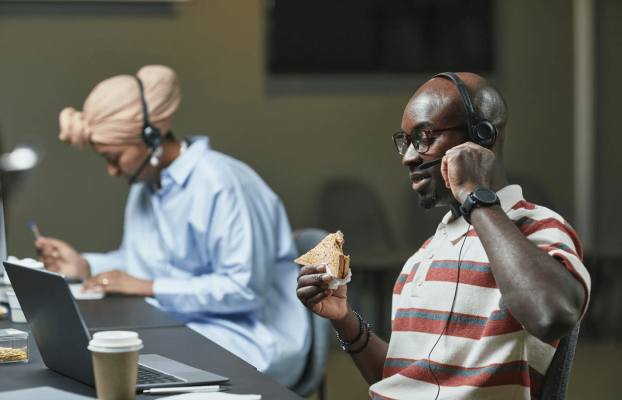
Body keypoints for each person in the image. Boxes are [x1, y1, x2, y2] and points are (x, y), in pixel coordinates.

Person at [296, 72, 591, 399]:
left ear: (482, 138)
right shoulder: (421, 259)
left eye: (424, 137)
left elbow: (553, 314)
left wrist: (475, 194)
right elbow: (405, 382)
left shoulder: (538, 227)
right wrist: (346, 320)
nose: (408, 157)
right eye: (405, 142)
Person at [36, 65, 309, 387]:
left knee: (117, 371)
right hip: (185, 325)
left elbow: (242, 289)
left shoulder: (223, 183)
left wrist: (146, 287)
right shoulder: (146, 185)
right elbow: (142, 263)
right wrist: (85, 265)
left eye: (115, 157)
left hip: (249, 340)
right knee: (104, 363)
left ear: (149, 137)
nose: (111, 171)